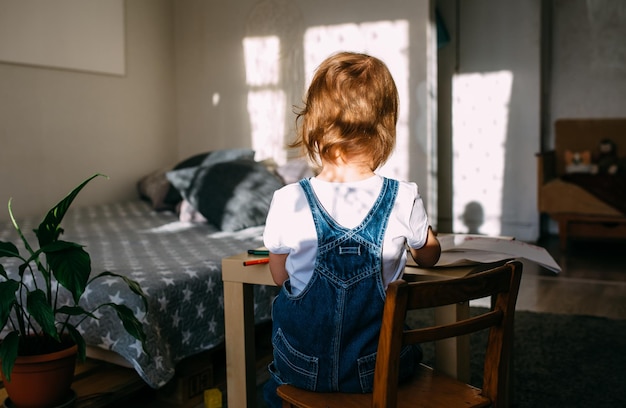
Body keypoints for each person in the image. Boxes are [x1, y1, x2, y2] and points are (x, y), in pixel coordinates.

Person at [262, 51, 441, 407]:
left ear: (312, 124)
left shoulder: (287, 199)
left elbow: (280, 276)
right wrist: (420, 239)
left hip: (300, 367)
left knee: (271, 388)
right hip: (379, 369)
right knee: (411, 353)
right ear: (386, 126)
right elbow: (431, 256)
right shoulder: (402, 197)